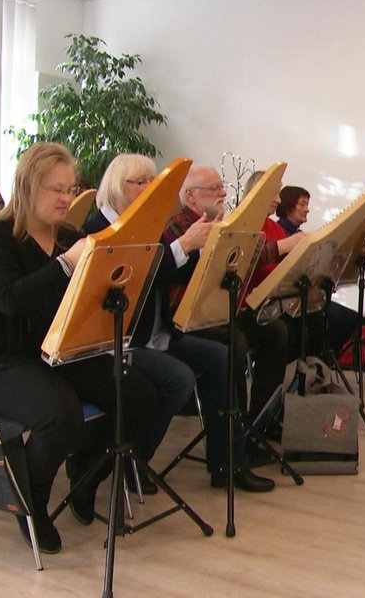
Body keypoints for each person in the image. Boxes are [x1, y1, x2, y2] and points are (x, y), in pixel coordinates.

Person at [0, 143, 159, 552]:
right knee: (60, 412)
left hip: (53, 357)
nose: (67, 199)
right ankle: (31, 504)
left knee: (137, 396)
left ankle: (85, 477)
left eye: (71, 189)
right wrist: (68, 263)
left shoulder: (69, 235)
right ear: (28, 186)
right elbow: (11, 301)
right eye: (57, 190)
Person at [84, 154, 273, 492]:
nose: (149, 189)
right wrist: (184, 245)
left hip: (158, 332)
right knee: (180, 377)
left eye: (151, 182)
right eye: (140, 182)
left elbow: (176, 274)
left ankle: (226, 463)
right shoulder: (96, 229)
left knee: (222, 356)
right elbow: (134, 278)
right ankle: (135, 461)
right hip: (122, 341)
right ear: (117, 186)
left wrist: (211, 247)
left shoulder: (145, 223)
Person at [165, 165, 297, 447]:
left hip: (218, 314)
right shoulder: (177, 228)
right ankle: (234, 441)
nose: (223, 192)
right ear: (190, 196)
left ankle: (260, 421)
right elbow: (178, 287)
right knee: (233, 341)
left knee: (274, 331)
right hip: (185, 320)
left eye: (221, 186)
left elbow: (247, 257)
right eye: (214, 188)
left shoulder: (219, 224)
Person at [275, 185, 362, 359]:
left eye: (307, 204)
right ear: (288, 206)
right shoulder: (280, 234)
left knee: (350, 318)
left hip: (307, 297)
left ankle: (320, 361)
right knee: (330, 320)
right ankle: (312, 361)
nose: (307, 209)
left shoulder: (300, 234)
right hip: (290, 302)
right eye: (302, 204)